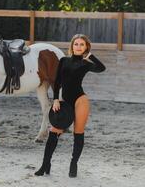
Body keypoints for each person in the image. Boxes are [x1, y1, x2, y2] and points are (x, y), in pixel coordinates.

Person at [35, 34, 106, 178]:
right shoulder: (64, 60)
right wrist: (55, 99)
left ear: (86, 47)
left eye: (81, 44)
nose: (78, 47)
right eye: (76, 44)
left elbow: (101, 68)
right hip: (64, 102)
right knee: (54, 132)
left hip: (80, 100)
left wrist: (90, 56)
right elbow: (58, 81)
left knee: (78, 133)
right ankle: (45, 165)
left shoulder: (86, 63)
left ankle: (74, 164)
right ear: (72, 46)